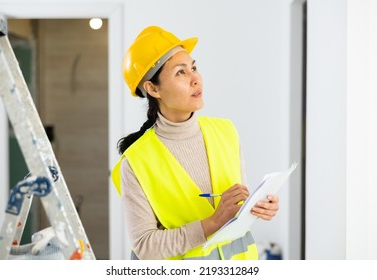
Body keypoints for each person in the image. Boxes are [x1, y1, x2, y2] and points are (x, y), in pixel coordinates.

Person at [111, 26, 279, 260]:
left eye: (194, 68)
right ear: (153, 88)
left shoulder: (226, 131)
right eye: (181, 72)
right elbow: (145, 246)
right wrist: (212, 222)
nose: (195, 78)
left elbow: (238, 207)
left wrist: (258, 207)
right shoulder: (135, 162)